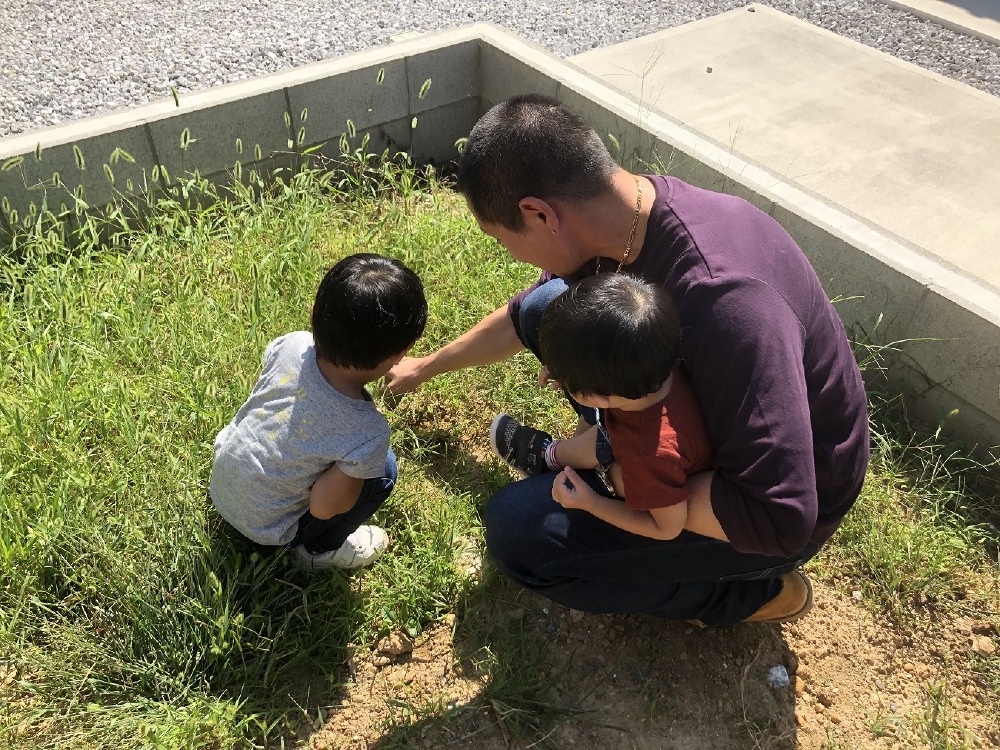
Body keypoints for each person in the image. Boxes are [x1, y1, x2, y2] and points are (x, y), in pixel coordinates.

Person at [385, 94, 870, 626]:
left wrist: (624, 477)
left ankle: (754, 595)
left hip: (770, 515)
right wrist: (424, 366)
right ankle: (598, 448)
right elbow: (524, 313)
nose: (512, 257)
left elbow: (781, 516)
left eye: (504, 242)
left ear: (540, 214)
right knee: (549, 311)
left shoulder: (727, 302)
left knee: (519, 532)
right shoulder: (619, 217)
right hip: (689, 418)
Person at [211, 253, 428, 571]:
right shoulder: (366, 432)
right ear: (400, 355)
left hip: (223, 482)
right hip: (266, 530)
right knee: (385, 470)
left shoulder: (292, 344)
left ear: (313, 316)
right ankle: (317, 551)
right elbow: (325, 508)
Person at [491, 273, 712, 543]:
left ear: (596, 396)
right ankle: (553, 456)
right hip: (630, 439)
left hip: (646, 491)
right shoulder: (656, 361)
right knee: (605, 438)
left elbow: (667, 527)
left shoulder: (649, 456)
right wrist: (572, 374)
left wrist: (591, 502)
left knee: (511, 515)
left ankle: (552, 458)